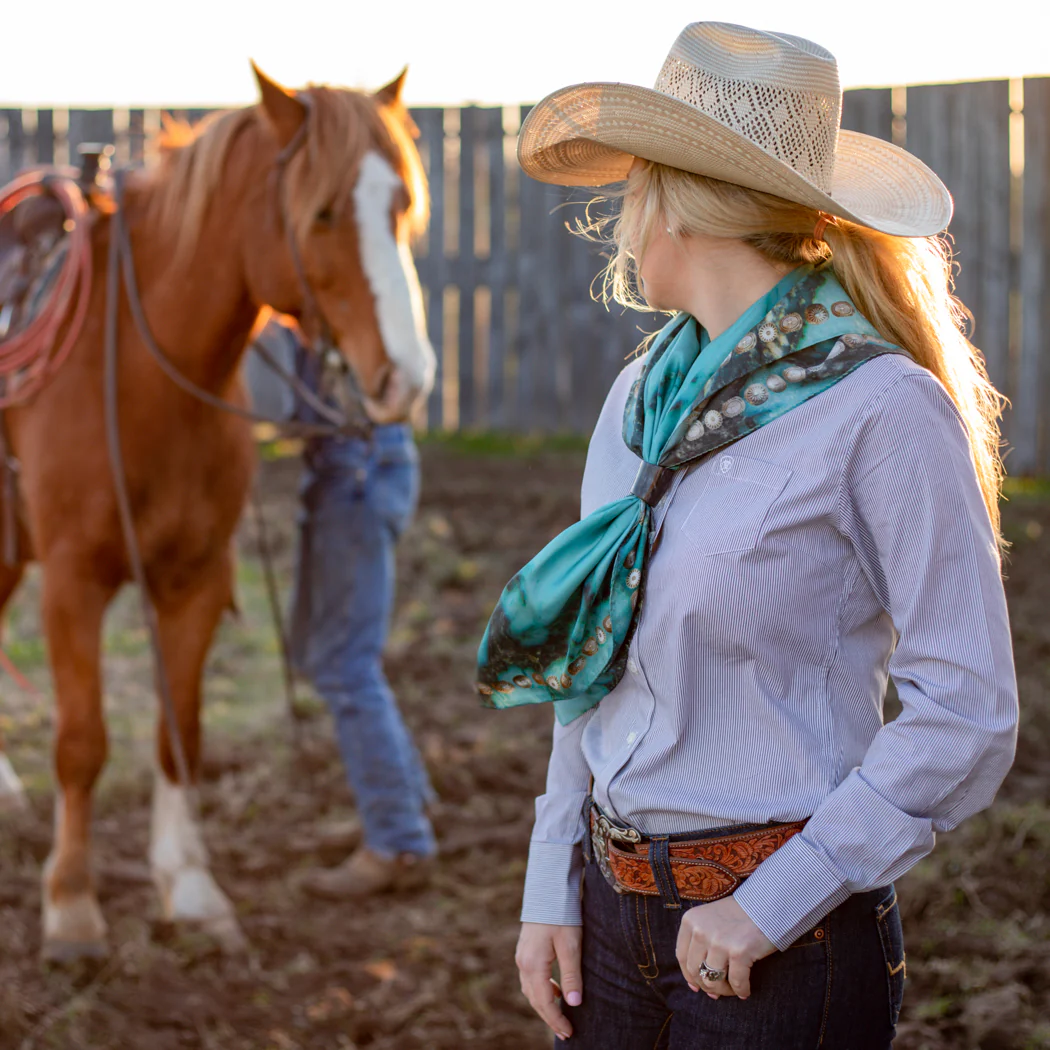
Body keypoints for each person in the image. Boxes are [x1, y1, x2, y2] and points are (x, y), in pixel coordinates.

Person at [475, 22, 1018, 1048]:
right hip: (608, 917)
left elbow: (970, 709)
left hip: (781, 948)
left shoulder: (882, 408)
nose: (622, 207)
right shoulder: (642, 395)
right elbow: (590, 663)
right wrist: (554, 881)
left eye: (636, 179)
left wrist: (776, 900)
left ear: (674, 197)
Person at [250, 316, 437, 898]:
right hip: (357, 468)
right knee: (323, 652)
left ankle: (399, 840)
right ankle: (407, 805)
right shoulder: (346, 291)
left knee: (346, 665)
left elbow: (273, 404)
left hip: (354, 475)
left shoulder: (326, 295)